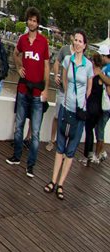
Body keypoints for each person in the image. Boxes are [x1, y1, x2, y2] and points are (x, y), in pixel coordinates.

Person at [45, 29, 91, 200]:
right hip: (66, 107)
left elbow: (89, 89)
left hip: (79, 112)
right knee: (60, 146)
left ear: (85, 45)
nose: (78, 43)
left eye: (81, 41)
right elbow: (64, 80)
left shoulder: (88, 66)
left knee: (70, 150)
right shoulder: (66, 60)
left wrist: (81, 103)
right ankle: (53, 180)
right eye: (76, 40)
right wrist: (69, 97)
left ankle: (61, 184)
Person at [6, 7, 50, 177]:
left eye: (34, 20)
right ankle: (16, 156)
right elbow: (16, 54)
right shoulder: (23, 39)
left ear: (38, 23)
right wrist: (18, 67)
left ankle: (30, 164)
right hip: (23, 88)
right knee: (19, 126)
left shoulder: (43, 42)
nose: (32, 23)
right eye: (30, 20)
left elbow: (46, 65)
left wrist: (46, 89)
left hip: (38, 91)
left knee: (36, 132)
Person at [81, 46, 109, 165]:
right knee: (96, 131)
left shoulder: (94, 75)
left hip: (93, 108)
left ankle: (91, 155)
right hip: (100, 109)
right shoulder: (102, 75)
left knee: (90, 131)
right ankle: (97, 153)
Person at [46, 35, 71, 152]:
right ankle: (52, 140)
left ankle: (64, 144)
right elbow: (56, 62)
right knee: (57, 116)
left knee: (68, 119)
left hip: (72, 93)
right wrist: (56, 75)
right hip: (61, 89)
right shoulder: (65, 50)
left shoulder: (82, 55)